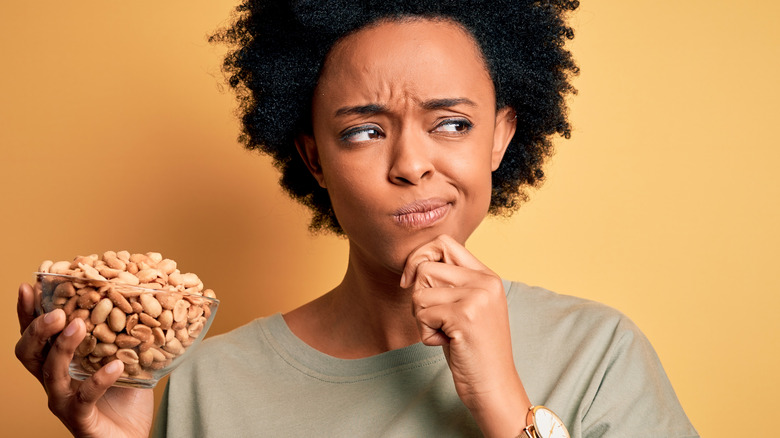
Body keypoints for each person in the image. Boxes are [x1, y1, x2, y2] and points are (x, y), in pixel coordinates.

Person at [15, 1, 699, 437]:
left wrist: (505, 407)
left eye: (453, 124)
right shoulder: (204, 383)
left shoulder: (600, 354)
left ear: (500, 135)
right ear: (314, 159)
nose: (412, 164)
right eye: (364, 132)